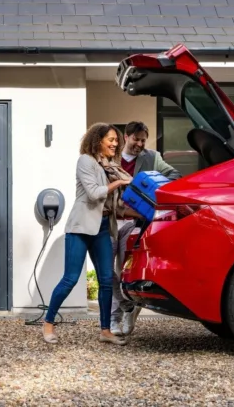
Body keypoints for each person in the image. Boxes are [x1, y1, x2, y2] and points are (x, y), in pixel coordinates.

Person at [42, 123, 133, 345]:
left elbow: (114, 204)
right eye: (110, 139)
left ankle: (105, 331)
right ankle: (48, 323)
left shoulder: (111, 166)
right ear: (98, 140)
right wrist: (120, 182)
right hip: (81, 228)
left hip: (102, 227)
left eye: (116, 140)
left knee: (105, 279)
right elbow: (94, 193)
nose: (115, 144)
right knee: (70, 279)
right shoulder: (86, 161)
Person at [110, 121, 182, 337]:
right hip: (110, 220)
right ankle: (122, 309)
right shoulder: (111, 157)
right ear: (126, 136)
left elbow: (174, 176)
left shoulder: (152, 158)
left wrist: (150, 186)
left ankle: (119, 318)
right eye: (136, 139)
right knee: (107, 270)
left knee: (123, 271)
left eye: (143, 140)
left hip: (135, 222)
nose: (139, 144)